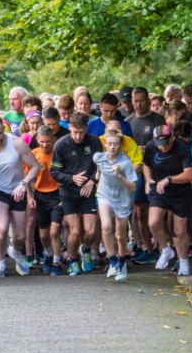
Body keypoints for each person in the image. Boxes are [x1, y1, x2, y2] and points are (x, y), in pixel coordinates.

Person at [0, 115, 40, 277]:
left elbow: (34, 166)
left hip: (17, 189)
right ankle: (0, 265)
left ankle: (15, 251)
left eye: (0, 133)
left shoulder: (17, 143)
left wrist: (23, 184)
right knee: (2, 228)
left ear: (3, 129)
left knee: (20, 236)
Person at [50, 111, 103, 275]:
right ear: (69, 128)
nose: (78, 136)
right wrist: (71, 178)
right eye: (74, 132)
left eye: (81, 132)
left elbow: (100, 165)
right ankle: (72, 260)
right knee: (75, 230)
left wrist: (92, 181)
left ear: (86, 128)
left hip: (88, 191)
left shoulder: (94, 142)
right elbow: (54, 172)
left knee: (91, 231)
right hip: (68, 192)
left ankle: (85, 249)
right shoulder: (60, 144)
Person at [143, 124, 192, 276]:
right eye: (159, 144)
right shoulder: (151, 146)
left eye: (166, 144)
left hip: (180, 192)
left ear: (172, 138)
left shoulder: (182, 147)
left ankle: (183, 260)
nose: (162, 148)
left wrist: (169, 179)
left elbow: (190, 175)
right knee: (153, 222)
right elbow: (146, 165)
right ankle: (166, 250)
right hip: (160, 190)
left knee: (180, 230)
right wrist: (148, 180)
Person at [127, 87, 165, 264]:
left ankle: (163, 247)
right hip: (136, 171)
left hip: (156, 170)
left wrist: (150, 148)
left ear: (148, 101)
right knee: (139, 211)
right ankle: (147, 248)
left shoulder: (158, 119)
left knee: (158, 209)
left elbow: (166, 143)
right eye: (135, 101)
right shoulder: (128, 122)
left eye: (142, 100)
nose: (138, 104)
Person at [94, 131, 137, 281]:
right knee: (106, 226)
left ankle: (121, 262)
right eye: (110, 144)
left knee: (120, 235)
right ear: (105, 144)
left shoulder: (125, 163)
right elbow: (97, 167)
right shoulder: (98, 157)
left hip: (122, 199)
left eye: (116, 144)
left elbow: (133, 187)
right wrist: (97, 174)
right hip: (104, 195)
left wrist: (120, 176)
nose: (112, 147)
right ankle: (112, 260)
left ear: (120, 145)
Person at [31, 125, 64, 276]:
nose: (45, 145)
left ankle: (56, 262)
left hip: (57, 195)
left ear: (53, 140)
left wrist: (64, 196)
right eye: (42, 141)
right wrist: (29, 197)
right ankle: (49, 255)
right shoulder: (33, 154)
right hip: (40, 196)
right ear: (37, 140)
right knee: (44, 235)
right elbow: (28, 177)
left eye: (48, 142)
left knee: (54, 231)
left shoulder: (59, 153)